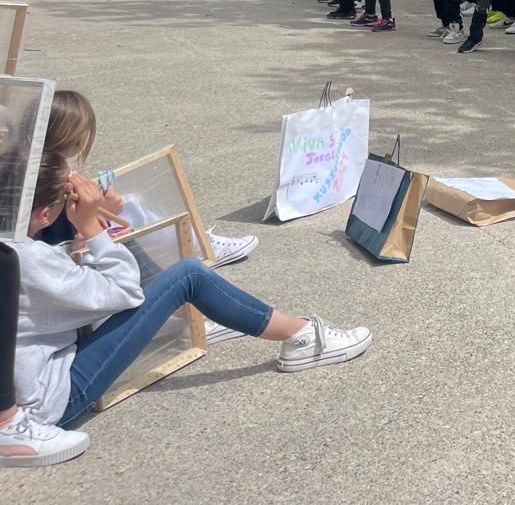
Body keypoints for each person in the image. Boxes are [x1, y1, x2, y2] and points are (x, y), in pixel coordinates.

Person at [12, 150, 372, 433]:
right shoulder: (28, 260)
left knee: (130, 254)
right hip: (48, 403)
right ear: (45, 214)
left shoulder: (15, 247)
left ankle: (213, 315)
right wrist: (91, 228)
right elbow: (124, 291)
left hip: (19, 389)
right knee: (188, 276)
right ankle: (304, 336)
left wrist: (86, 235)